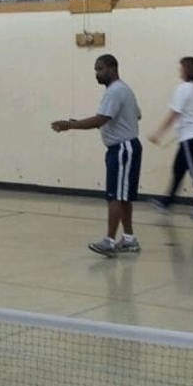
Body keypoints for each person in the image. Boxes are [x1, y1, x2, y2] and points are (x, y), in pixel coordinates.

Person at [50, 54, 143, 257]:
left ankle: (109, 241)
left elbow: (100, 119)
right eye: (95, 69)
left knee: (115, 196)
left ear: (113, 68)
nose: (97, 74)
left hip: (122, 148)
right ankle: (129, 239)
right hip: (126, 146)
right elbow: (137, 115)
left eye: (100, 69)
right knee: (124, 196)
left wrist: (70, 125)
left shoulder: (115, 91)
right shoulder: (124, 89)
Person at [147, 56, 193, 220]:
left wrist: (159, 133)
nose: (180, 70)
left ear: (187, 70)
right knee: (178, 169)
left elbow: (174, 113)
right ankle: (166, 202)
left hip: (189, 138)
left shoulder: (183, 88)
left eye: (181, 68)